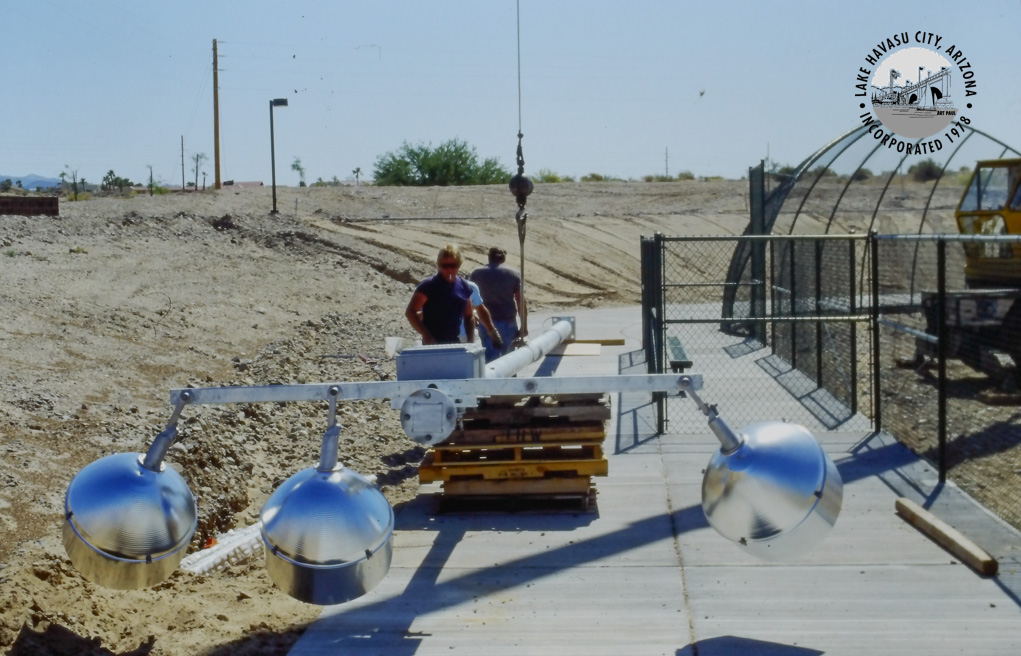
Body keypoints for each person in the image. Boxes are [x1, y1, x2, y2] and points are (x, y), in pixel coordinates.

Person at [406, 244, 476, 345]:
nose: (449, 269)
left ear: (459, 264)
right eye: (445, 266)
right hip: (432, 345)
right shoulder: (429, 285)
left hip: (455, 342)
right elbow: (410, 312)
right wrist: (426, 336)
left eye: (453, 266)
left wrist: (470, 341)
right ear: (439, 265)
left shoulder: (464, 286)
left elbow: (469, 315)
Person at [470, 246, 527, 362]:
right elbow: (520, 301)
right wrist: (524, 326)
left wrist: (473, 317)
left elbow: (470, 297)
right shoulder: (513, 274)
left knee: (490, 359)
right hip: (508, 321)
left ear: (489, 257)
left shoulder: (477, 273)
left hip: (486, 322)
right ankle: (510, 379)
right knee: (510, 359)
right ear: (503, 258)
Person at [459, 277, 504, 351]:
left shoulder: (470, 287)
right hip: (440, 337)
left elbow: (480, 310)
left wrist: (493, 333)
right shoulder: (433, 286)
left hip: (464, 337)